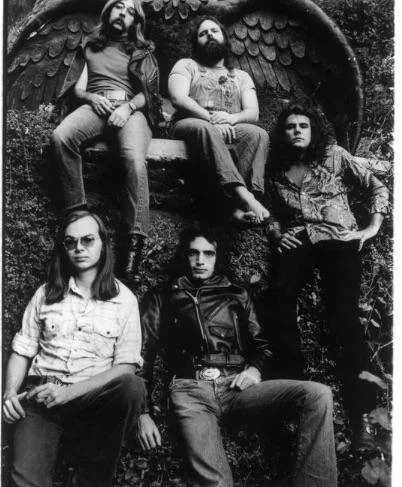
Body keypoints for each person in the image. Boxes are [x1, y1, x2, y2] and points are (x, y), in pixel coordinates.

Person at [137, 225, 337, 487]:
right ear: (183, 256)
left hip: (236, 386)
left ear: (218, 256)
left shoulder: (237, 292)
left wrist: (254, 369)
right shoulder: (162, 296)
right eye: (193, 253)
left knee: (318, 394)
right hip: (191, 391)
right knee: (218, 483)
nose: (200, 260)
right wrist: (142, 412)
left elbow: (261, 344)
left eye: (208, 254)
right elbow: (142, 353)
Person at [264, 102, 389, 448]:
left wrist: (370, 229)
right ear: (283, 133)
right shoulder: (276, 168)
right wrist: (276, 232)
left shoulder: (335, 156)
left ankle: (363, 417)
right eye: (291, 126)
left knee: (343, 319)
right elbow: (269, 209)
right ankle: (294, 396)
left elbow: (377, 187)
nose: (298, 131)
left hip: (339, 239)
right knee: (278, 297)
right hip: (301, 240)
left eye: (304, 125)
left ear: (314, 130)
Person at [2, 210, 145, 487]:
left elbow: (126, 366)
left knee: (132, 386)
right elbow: (22, 349)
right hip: (41, 399)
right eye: (70, 242)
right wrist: (9, 393)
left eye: (88, 240)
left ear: (103, 244)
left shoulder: (124, 299)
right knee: (25, 481)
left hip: (91, 402)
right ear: (63, 248)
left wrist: (68, 393)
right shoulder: (46, 293)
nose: (79, 248)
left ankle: (92, 476)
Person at [51, 0, 161, 283]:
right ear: (108, 11)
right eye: (118, 7)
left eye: (129, 12)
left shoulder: (142, 50)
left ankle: (132, 249)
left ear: (135, 21)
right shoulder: (90, 46)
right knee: (62, 137)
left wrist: (127, 108)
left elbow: (149, 94)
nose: (122, 14)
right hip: (97, 106)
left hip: (131, 109)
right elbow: (78, 87)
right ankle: (77, 214)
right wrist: (92, 98)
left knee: (134, 159)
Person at [168, 17, 270, 224]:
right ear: (197, 42)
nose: (209, 36)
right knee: (205, 128)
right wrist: (213, 121)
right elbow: (178, 98)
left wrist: (231, 119)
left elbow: (253, 113)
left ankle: (241, 205)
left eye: (214, 31)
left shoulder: (240, 76)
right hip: (190, 125)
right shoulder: (187, 65)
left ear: (224, 38)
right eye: (203, 33)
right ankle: (242, 196)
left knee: (258, 134)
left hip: (228, 126)